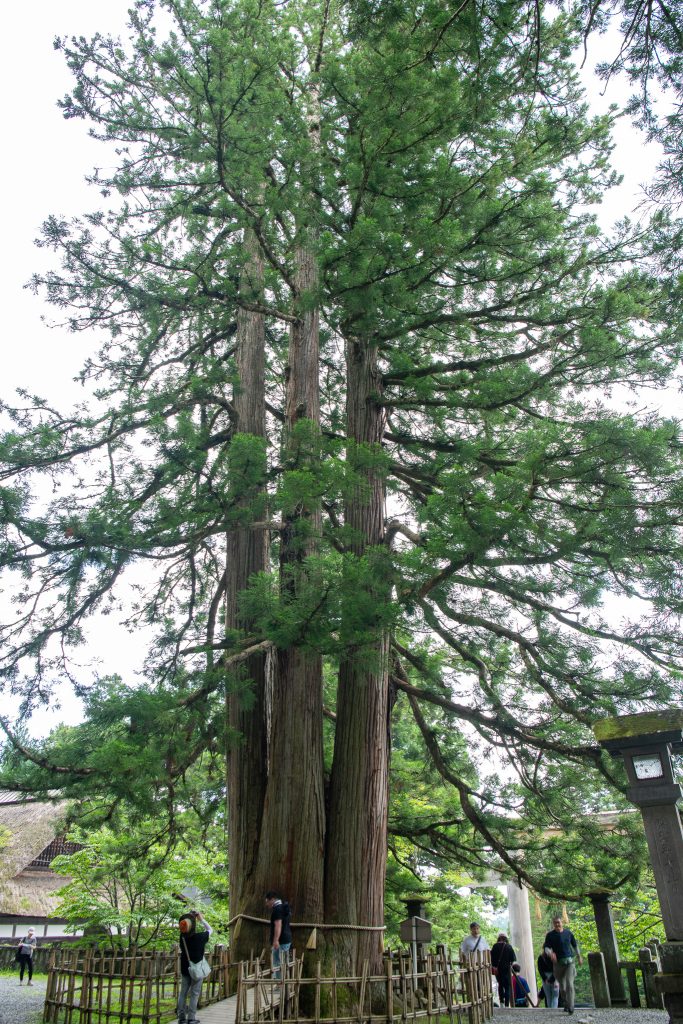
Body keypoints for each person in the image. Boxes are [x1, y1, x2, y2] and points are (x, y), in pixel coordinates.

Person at [177, 910, 212, 1024]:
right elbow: (210, 930)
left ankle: (181, 1018)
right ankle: (191, 1018)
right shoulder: (200, 937)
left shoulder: (182, 937)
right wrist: (201, 919)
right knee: (194, 993)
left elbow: (185, 927)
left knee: (183, 993)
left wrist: (189, 918)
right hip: (196, 969)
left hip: (185, 968)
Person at [543, 915, 583, 1015]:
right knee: (563, 988)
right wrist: (550, 953)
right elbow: (546, 948)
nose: (557, 924)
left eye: (559, 922)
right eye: (555, 922)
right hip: (558, 965)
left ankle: (571, 1006)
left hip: (569, 963)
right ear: (553, 924)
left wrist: (579, 956)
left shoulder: (568, 933)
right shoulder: (550, 935)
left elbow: (575, 945)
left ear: (562, 923)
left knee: (570, 984)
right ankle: (566, 1003)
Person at [265, 890, 292, 978]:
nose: (267, 904)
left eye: (267, 901)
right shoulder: (283, 907)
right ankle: (280, 983)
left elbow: (278, 925)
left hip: (281, 940)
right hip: (286, 938)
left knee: (279, 962)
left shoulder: (277, 909)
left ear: (272, 899)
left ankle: (280, 983)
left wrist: (276, 940)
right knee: (281, 962)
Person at [491, 932, 516, 1007]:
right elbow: (513, 959)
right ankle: (507, 1004)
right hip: (507, 970)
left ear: (499, 938)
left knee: (500, 985)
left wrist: (494, 966)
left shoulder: (495, 946)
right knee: (507, 987)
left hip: (497, 970)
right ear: (506, 938)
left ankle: (501, 1003)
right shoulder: (509, 946)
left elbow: (491, 958)